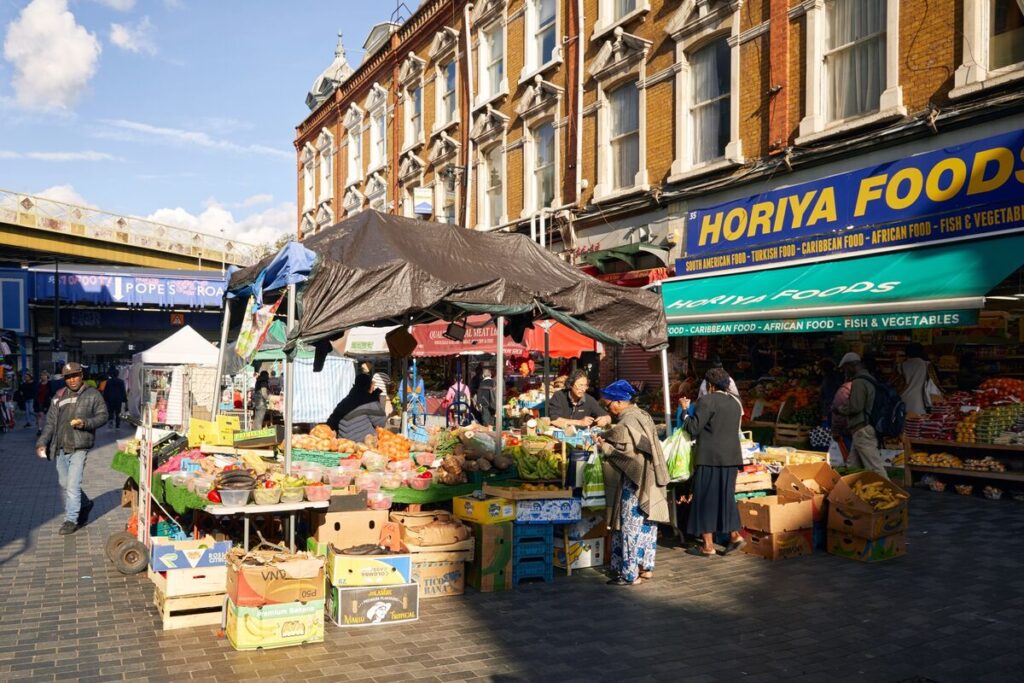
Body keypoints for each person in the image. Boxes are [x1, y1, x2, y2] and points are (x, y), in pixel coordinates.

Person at [596, 380, 669, 586]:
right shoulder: (642, 415)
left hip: (635, 481)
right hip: (650, 477)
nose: (608, 408)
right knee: (646, 523)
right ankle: (645, 567)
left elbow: (627, 454)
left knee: (629, 526)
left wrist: (606, 447)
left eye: (608, 404)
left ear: (619, 402)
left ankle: (630, 574)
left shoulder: (627, 421)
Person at [680, 367, 746, 557]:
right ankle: (735, 536)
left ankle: (707, 546)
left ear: (709, 384)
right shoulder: (735, 402)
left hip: (710, 457)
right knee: (726, 497)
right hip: (731, 458)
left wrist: (685, 411)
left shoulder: (707, 401)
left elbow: (693, 428)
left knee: (704, 499)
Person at [36, 362, 108, 535]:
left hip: (79, 445)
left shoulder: (92, 394)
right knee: (64, 483)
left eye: (75, 375)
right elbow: (50, 423)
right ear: (64, 378)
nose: (72, 379)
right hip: (60, 446)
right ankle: (86, 504)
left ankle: (70, 519)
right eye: (68, 377)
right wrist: (41, 443)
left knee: (73, 485)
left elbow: (103, 416)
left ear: (81, 376)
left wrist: (85, 423)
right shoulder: (58, 396)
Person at [838, 352, 888, 478]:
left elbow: (856, 406)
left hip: (862, 429)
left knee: (875, 468)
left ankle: (891, 495)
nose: (845, 372)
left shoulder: (859, 382)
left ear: (852, 365)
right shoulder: (870, 379)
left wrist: (840, 409)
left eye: (845, 368)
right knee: (852, 467)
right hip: (863, 428)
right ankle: (848, 493)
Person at [326, 373, 386, 441]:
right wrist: (376, 401)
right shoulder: (369, 401)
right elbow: (381, 423)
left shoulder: (344, 402)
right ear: (368, 386)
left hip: (344, 444)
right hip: (364, 445)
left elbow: (330, 424)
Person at [900, 343, 933, 415]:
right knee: (918, 424)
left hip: (903, 400)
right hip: (920, 402)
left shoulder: (901, 365)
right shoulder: (927, 365)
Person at [818, 358, 844, 426]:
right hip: (835, 407)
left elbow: (826, 395)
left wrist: (825, 412)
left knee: (828, 429)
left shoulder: (828, 378)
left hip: (830, 408)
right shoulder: (837, 376)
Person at [34, 371, 50, 436]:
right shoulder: (38, 385)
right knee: (40, 415)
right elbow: (35, 393)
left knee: (48, 416)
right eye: (42, 375)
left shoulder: (50, 384)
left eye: (44, 375)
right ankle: (40, 429)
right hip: (40, 401)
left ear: (47, 377)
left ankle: (48, 429)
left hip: (48, 402)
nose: (43, 377)